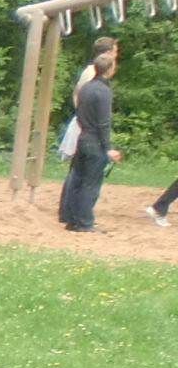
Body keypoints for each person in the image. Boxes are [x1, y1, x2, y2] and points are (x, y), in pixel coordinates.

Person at [57, 36, 121, 232]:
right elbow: (103, 122)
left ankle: (72, 219)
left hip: (82, 138)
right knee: (91, 184)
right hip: (94, 141)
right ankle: (85, 221)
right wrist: (108, 148)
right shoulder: (103, 91)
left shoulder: (86, 87)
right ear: (110, 69)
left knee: (78, 180)